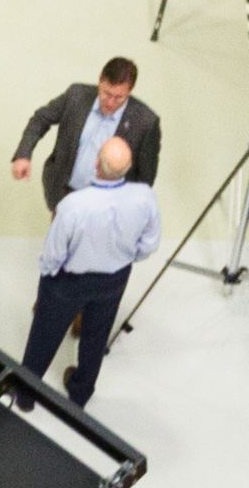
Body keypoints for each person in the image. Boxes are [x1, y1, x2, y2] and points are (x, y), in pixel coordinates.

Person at [21, 138, 162, 404]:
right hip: (114, 279)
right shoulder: (144, 197)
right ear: (129, 167)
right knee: (95, 338)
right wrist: (124, 259)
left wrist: (50, 276)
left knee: (44, 335)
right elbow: (150, 243)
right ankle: (81, 393)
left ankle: (26, 394)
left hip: (68, 282)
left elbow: (53, 255)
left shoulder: (73, 206)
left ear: (96, 164)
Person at [11, 60, 171, 210]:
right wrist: (23, 155)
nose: (110, 102)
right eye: (106, 93)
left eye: (118, 98)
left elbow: (145, 178)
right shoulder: (76, 96)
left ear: (130, 90)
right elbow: (40, 119)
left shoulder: (145, 122)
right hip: (64, 195)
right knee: (59, 239)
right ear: (100, 80)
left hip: (107, 208)